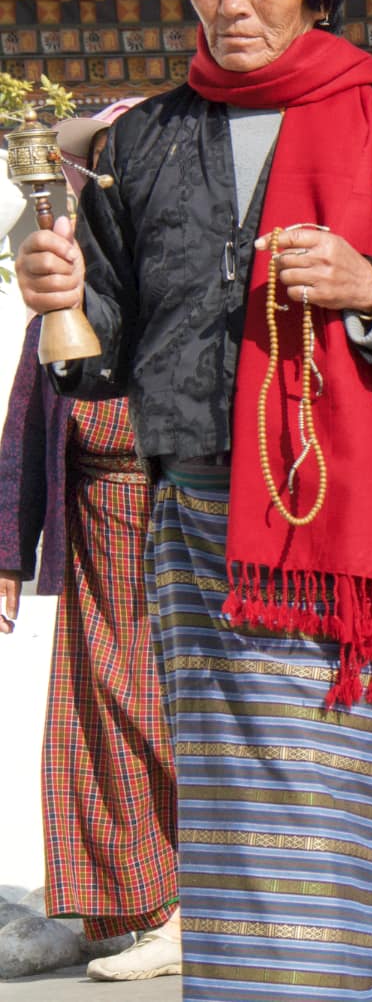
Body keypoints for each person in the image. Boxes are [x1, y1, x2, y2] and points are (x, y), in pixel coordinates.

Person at [14, 0, 372, 1001]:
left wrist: (368, 288)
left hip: (359, 513)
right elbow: (114, 350)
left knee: (331, 792)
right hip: (190, 507)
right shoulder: (143, 144)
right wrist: (63, 295)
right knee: (225, 797)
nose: (230, 2)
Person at [0, 106, 181, 983]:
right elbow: (28, 426)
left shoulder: (184, 271)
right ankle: (130, 902)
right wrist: (6, 546)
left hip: (182, 526)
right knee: (99, 716)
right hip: (92, 536)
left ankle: (195, 900)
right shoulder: (63, 289)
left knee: (170, 708)